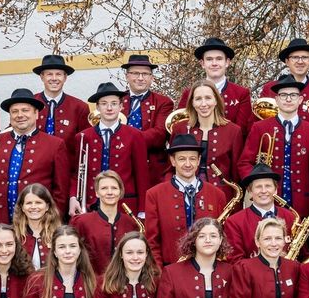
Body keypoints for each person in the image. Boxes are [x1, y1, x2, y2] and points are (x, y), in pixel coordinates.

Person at [239, 74, 309, 216]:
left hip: (302, 205)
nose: (288, 99)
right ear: (276, 99)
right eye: (283, 95)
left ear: (300, 100)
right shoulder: (259, 127)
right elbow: (244, 163)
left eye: (293, 95)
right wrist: (257, 187)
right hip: (266, 203)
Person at [0, 89, 71, 222]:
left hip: (39, 222)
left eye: (25, 110)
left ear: (36, 114)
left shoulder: (55, 144)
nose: (20, 115)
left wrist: (53, 221)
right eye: (14, 111)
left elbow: (61, 191)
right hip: (0, 220)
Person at [143, 134, 226, 265]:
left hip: (209, 271)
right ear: (173, 161)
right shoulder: (154, 194)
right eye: (182, 159)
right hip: (170, 270)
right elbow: (152, 242)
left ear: (199, 160)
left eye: (192, 159)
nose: (188, 164)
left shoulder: (217, 194)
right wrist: (159, 274)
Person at [68, 82, 150, 212]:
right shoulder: (83, 136)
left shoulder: (135, 135)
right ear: (98, 107)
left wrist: (142, 210)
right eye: (104, 103)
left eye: (114, 103)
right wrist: (73, 197)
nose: (109, 108)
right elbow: (77, 173)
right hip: (92, 203)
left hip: (125, 204)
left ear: (121, 106)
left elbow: (142, 175)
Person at [172, 80, 244, 185]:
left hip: (223, 196)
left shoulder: (233, 131)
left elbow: (236, 174)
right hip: (185, 193)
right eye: (198, 99)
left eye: (208, 98)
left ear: (216, 101)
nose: (203, 104)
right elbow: (171, 167)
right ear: (192, 102)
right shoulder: (179, 128)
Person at [71, 171, 146, 270]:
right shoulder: (81, 222)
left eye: (114, 188)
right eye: (104, 188)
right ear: (97, 193)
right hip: (91, 282)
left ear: (120, 192)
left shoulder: (132, 223)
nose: (110, 192)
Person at [120, 54, 177, 183]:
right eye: (135, 73)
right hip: (121, 164)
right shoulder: (117, 100)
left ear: (151, 78)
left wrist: (124, 140)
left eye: (145, 74)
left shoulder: (163, 102)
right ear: (127, 76)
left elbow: (159, 134)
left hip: (151, 169)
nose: (140, 78)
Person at [222, 163, 297, 260]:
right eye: (258, 187)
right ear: (250, 191)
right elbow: (235, 261)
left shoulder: (291, 217)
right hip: (251, 274)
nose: (263, 191)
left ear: (275, 190)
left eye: (268, 186)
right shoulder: (235, 222)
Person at [258, 38, 309, 130]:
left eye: (305, 57)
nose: (300, 61)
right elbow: (259, 122)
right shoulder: (270, 88)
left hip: (308, 143)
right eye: (295, 57)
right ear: (287, 61)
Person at [192, 38, 252, 132]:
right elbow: (184, 127)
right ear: (202, 63)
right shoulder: (189, 93)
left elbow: (243, 131)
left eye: (219, 59)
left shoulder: (241, 94)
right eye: (209, 59)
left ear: (227, 62)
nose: (214, 63)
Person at [31, 54, 90, 142]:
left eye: (58, 74)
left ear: (65, 77)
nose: (54, 78)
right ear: (42, 77)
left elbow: (84, 142)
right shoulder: (30, 103)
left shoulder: (80, 107)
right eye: (49, 74)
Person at [12, 184, 61, 269]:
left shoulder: (59, 234)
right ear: (22, 207)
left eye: (38, 202)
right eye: (29, 203)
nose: (33, 207)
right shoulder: (13, 234)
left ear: (47, 206)